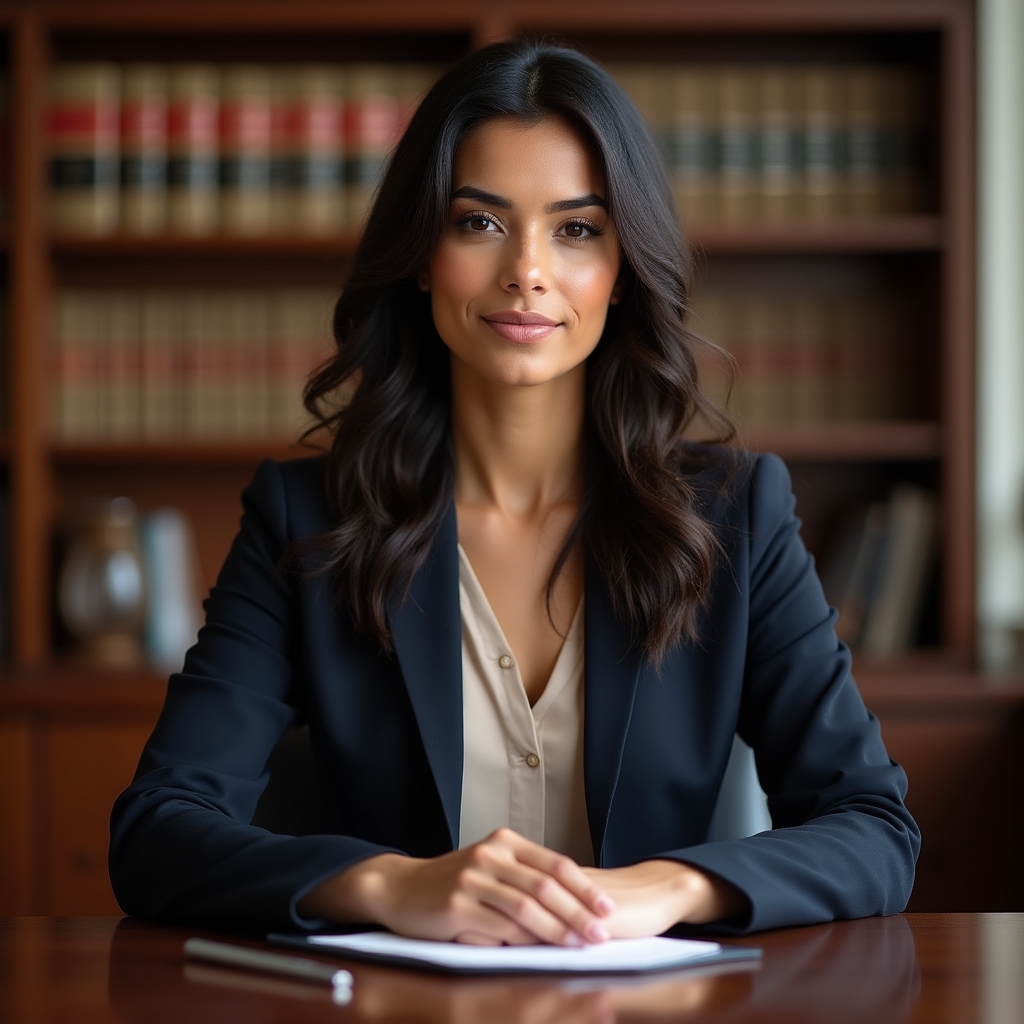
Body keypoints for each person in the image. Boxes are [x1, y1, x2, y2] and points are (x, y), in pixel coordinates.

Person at [109, 40, 919, 943]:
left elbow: (874, 829)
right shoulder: (307, 520)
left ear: (621, 273)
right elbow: (158, 832)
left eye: (577, 229)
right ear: (422, 254)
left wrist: (667, 889)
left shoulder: (736, 514)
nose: (526, 271)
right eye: (479, 223)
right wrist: (388, 886)